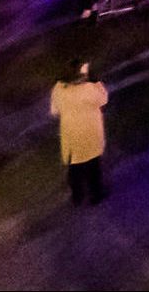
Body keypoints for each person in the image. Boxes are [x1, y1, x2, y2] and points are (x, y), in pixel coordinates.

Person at [53, 62, 110, 204]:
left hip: (70, 134)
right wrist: (97, 83)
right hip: (89, 133)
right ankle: (95, 195)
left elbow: (55, 110)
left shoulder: (59, 88)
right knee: (93, 167)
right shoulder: (89, 89)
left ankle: (77, 197)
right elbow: (103, 99)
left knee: (75, 167)